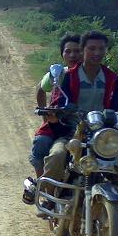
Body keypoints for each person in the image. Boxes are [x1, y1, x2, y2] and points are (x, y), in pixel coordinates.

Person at [38, 30, 118, 190]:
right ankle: (49, 197)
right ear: (83, 49)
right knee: (57, 156)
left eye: (101, 49)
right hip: (72, 132)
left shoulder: (112, 78)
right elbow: (57, 102)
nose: (97, 53)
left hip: (103, 135)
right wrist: (56, 114)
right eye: (92, 49)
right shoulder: (67, 76)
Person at [28, 34, 82, 179]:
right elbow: (40, 88)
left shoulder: (95, 75)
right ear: (62, 54)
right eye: (68, 51)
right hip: (58, 122)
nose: (73, 55)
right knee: (41, 143)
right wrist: (46, 116)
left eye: (77, 51)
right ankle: (42, 184)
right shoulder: (59, 73)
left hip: (87, 125)